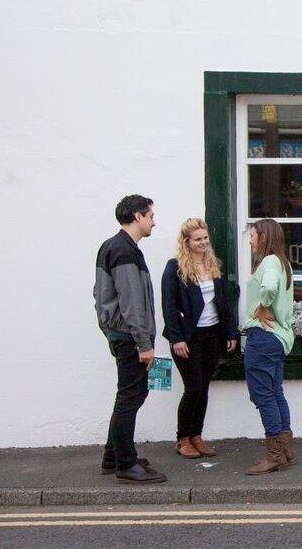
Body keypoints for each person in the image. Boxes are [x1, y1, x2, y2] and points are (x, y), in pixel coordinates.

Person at [94, 194, 166, 484]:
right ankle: (125, 462)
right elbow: (132, 301)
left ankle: (114, 456)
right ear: (137, 216)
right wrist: (144, 344)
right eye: (150, 216)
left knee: (128, 394)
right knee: (131, 396)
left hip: (121, 334)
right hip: (129, 336)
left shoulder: (111, 246)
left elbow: (100, 295)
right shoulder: (124, 250)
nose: (153, 221)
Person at [161, 218, 239, 459]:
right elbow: (168, 305)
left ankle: (197, 436)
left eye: (205, 238)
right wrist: (176, 339)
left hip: (212, 334)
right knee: (193, 387)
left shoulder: (214, 265)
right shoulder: (175, 268)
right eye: (198, 239)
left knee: (203, 387)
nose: (203, 242)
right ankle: (182, 438)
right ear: (186, 242)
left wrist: (230, 332)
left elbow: (225, 304)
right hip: (188, 337)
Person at [242, 219, 296, 475]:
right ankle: (285, 449)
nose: (250, 240)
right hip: (277, 338)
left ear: (263, 237)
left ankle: (274, 455)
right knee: (275, 391)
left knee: (263, 394)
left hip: (263, 337)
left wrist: (262, 305)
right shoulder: (282, 262)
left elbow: (268, 288)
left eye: (252, 235)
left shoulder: (270, 262)